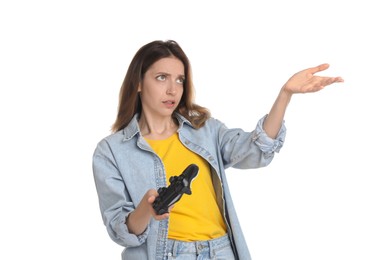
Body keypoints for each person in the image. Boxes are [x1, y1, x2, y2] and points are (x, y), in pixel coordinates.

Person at [92, 40, 344, 260]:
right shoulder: (112, 151)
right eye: (161, 78)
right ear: (138, 83)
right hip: (166, 253)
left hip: (221, 250)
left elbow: (256, 150)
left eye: (179, 80)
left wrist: (285, 94)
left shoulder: (206, 130)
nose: (172, 90)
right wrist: (147, 210)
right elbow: (121, 230)